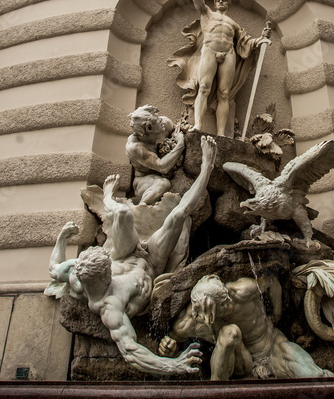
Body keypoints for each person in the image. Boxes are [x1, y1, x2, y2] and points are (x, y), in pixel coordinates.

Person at [47, 136, 217, 377]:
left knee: (124, 216)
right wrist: (174, 365)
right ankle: (207, 167)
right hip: (153, 265)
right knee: (178, 215)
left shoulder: (77, 270)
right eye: (108, 266)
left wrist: (61, 239)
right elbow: (131, 352)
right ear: (105, 278)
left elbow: (53, 269)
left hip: (127, 255)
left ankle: (108, 198)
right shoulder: (110, 307)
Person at [159, 272, 334, 381]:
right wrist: (168, 345)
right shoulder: (195, 318)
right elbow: (174, 338)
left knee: (315, 376)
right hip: (241, 362)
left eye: (225, 301)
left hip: (272, 347)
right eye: (221, 307)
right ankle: (214, 392)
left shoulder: (243, 290)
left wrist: (277, 314)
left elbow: (272, 282)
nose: (228, 304)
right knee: (230, 332)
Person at [167, 0, 268, 136]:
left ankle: (221, 134)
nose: (221, 1)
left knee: (224, 93)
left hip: (228, 53)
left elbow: (245, 42)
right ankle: (198, 125)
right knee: (204, 87)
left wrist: (260, 40)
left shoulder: (233, 24)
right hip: (210, 50)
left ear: (228, 4)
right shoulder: (207, 13)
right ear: (214, 3)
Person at [125, 104, 185, 204]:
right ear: (149, 128)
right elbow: (162, 167)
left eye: (157, 117)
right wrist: (180, 145)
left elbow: (178, 131)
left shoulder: (164, 124)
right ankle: (139, 212)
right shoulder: (135, 147)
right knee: (162, 184)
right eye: (156, 120)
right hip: (144, 180)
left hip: (171, 172)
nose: (160, 120)